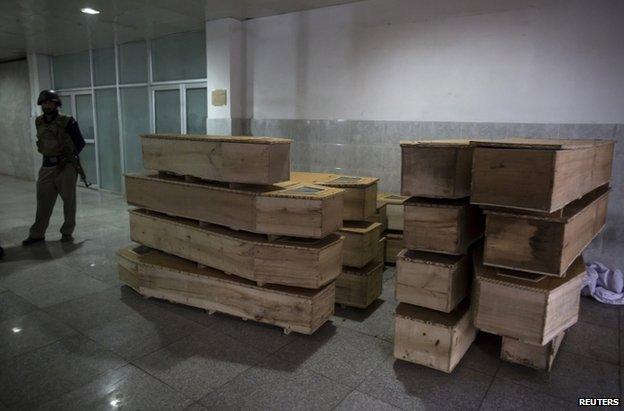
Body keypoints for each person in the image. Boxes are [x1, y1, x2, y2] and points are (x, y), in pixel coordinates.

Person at [22, 90, 86, 246]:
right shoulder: (39, 122)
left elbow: (80, 143)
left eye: (51, 103)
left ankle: (67, 232)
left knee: (69, 202)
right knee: (43, 201)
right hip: (47, 166)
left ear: (56, 104)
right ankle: (37, 234)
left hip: (65, 167)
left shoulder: (67, 121)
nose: (47, 105)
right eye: (44, 103)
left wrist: (68, 158)